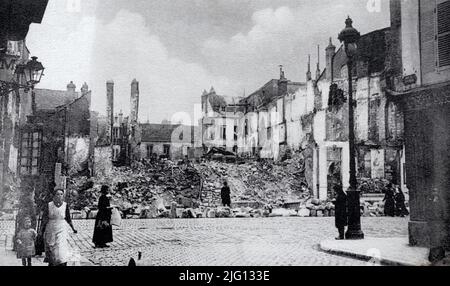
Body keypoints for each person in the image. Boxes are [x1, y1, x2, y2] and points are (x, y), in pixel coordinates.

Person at [41, 189, 78, 266]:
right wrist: (42, 230)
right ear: (54, 196)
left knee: (61, 247)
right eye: (57, 194)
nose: (60, 196)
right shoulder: (49, 205)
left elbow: (68, 218)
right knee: (52, 248)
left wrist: (73, 228)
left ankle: (62, 263)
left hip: (62, 227)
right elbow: (44, 218)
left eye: (61, 194)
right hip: (51, 228)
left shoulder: (65, 205)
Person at [427, 188, 446, 263]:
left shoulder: (440, 201)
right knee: (432, 239)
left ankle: (440, 255)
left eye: (436, 191)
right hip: (432, 222)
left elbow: (443, 211)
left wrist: (442, 221)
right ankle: (432, 257)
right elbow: (428, 210)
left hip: (438, 222)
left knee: (439, 239)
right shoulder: (430, 200)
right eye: (433, 191)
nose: (434, 193)